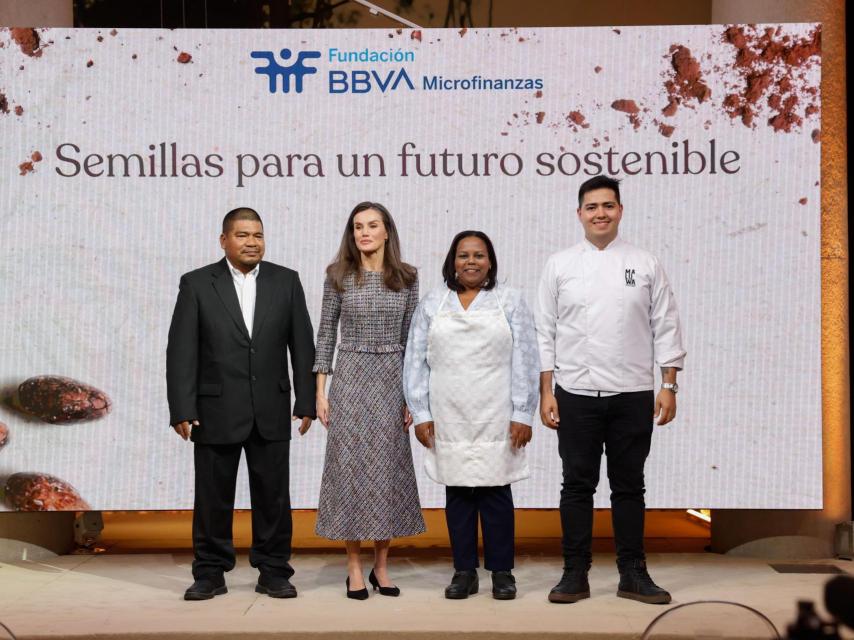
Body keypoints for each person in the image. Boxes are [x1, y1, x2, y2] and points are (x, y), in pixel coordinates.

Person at [535, 175, 686, 605]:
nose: (600, 213)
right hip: (575, 392)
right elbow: (544, 331)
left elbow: (667, 324)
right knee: (576, 487)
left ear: (620, 210)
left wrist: (669, 384)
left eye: (608, 205)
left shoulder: (645, 262)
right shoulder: (559, 264)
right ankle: (573, 574)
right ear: (579, 214)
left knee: (629, 487)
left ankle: (633, 574)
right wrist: (548, 391)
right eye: (591, 207)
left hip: (633, 391)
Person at [166, 207, 315, 601]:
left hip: (271, 407)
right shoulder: (197, 284)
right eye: (243, 235)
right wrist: (182, 407)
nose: (252, 242)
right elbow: (181, 352)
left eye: (258, 235)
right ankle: (210, 572)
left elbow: (302, 345)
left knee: (274, 498)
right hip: (215, 410)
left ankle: (274, 570)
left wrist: (307, 401)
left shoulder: (286, 281)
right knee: (213, 499)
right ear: (224, 240)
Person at [404, 230, 539, 601]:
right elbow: (415, 360)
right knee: (459, 492)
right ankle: (464, 571)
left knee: (496, 491)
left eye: (479, 255)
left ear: (490, 261)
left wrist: (523, 412)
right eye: (463, 256)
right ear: (452, 262)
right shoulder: (433, 303)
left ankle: (501, 571)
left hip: (498, 411)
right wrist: (420, 412)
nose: (471, 262)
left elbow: (526, 357)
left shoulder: (509, 302)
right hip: (448, 412)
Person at [308, 201, 425, 600]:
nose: (364, 233)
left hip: (393, 376)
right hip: (352, 376)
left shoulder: (407, 277)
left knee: (387, 472)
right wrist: (320, 392)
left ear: (386, 231)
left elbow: (413, 342)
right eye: (358, 226)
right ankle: (354, 567)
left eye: (372, 225)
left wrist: (413, 396)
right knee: (351, 472)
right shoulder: (338, 275)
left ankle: (381, 567)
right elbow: (325, 334)